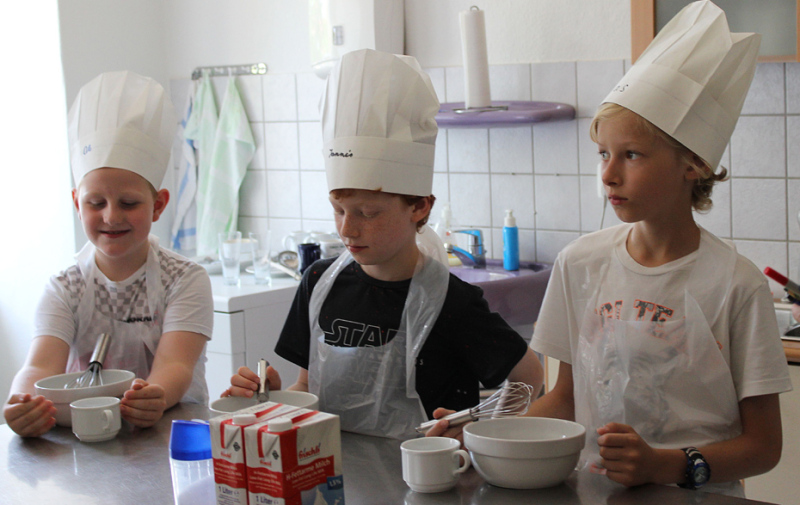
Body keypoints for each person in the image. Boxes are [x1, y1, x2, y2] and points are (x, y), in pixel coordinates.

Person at [428, 1, 792, 497]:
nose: (608, 173)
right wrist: (479, 437)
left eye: (632, 155)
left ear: (693, 164)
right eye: (603, 153)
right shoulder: (581, 263)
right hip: (594, 493)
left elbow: (764, 446)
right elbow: (563, 401)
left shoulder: (736, 284)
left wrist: (664, 466)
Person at [224, 49, 543, 440]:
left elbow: (529, 377)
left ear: (419, 206)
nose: (348, 230)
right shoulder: (319, 282)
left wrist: (479, 429)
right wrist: (271, 399)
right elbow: (306, 389)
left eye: (368, 213)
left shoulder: (451, 301)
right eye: (338, 210)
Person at [3, 71, 214, 437]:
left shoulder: (184, 278)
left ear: (159, 205)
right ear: (76, 203)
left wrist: (155, 396)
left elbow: (176, 363)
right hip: (86, 440)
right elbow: (39, 367)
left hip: (171, 435)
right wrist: (23, 402)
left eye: (129, 202)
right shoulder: (64, 287)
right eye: (95, 202)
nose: (111, 216)